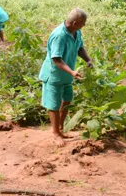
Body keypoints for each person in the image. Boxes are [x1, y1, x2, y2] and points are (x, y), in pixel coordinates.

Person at [38, 8, 93, 146]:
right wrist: (72, 72)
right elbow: (56, 59)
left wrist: (88, 59)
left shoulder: (76, 32)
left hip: (67, 75)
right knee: (54, 105)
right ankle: (56, 134)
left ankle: (61, 128)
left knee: (67, 100)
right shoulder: (59, 35)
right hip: (55, 75)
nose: (84, 25)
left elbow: (79, 47)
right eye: (82, 23)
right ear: (74, 22)